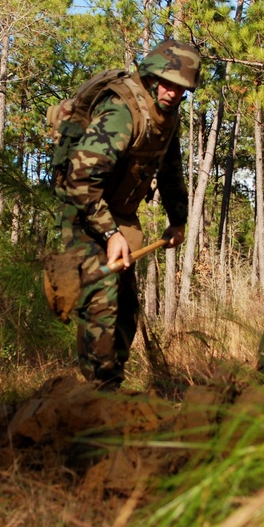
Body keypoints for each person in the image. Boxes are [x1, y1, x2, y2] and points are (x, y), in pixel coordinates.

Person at [54, 38, 202, 389]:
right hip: (83, 212)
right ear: (151, 77)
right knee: (102, 305)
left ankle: (109, 389)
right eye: (166, 83)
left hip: (118, 214)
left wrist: (178, 219)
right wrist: (109, 233)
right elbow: (80, 177)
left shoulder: (168, 117)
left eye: (180, 88)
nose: (171, 92)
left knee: (125, 308)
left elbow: (171, 170)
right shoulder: (122, 111)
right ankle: (98, 398)